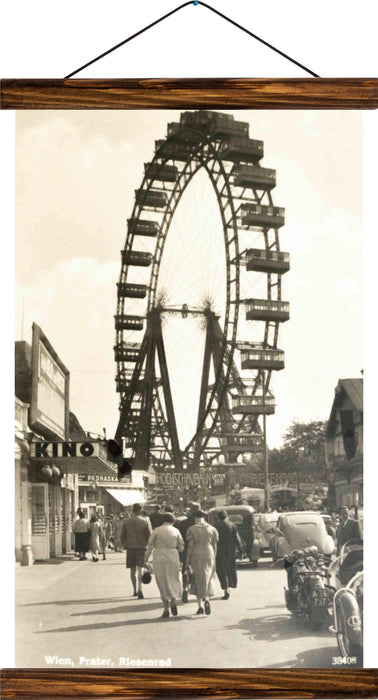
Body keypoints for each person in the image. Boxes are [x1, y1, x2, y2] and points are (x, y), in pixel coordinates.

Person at [144, 512, 184, 618]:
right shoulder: (176, 531)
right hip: (173, 556)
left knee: (162, 581)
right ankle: (173, 600)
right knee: (173, 579)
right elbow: (181, 548)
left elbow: (150, 546)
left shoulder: (156, 530)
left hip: (159, 556)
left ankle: (166, 608)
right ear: (173, 521)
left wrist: (145, 560)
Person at [186, 510, 218, 615]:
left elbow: (190, 545)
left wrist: (188, 558)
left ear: (195, 518)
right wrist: (214, 557)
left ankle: (200, 606)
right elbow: (215, 545)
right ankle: (207, 598)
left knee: (197, 577)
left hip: (196, 553)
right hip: (209, 553)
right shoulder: (212, 529)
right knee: (208, 576)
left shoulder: (191, 529)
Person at [121, 503, 152, 598]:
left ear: (132, 510)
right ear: (141, 510)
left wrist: (124, 544)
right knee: (140, 569)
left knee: (132, 571)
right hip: (142, 547)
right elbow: (150, 535)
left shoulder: (126, 521)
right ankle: (140, 589)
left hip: (130, 547)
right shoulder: (145, 521)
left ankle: (134, 590)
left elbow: (122, 535)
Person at [214, 510, 241, 600]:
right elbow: (237, 539)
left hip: (219, 550)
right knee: (230, 568)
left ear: (218, 517)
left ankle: (226, 588)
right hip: (230, 550)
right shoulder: (232, 525)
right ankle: (230, 584)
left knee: (221, 570)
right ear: (226, 516)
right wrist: (241, 550)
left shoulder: (215, 526)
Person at [176, 502, 200, 603]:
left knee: (185, 570)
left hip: (186, 550)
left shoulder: (182, 523)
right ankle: (198, 593)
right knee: (198, 571)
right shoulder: (201, 524)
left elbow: (179, 539)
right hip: (198, 550)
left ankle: (185, 588)